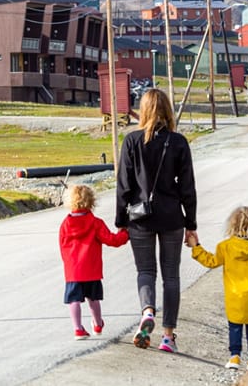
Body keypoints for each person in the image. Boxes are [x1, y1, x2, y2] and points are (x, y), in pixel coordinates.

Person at [115, 88, 197, 353]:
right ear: (168, 110)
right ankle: (168, 336)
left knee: (145, 271)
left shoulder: (132, 141)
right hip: (172, 217)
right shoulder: (178, 142)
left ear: (144, 109)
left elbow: (124, 186)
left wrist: (120, 220)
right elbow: (187, 187)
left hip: (140, 218)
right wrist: (191, 225)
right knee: (171, 276)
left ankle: (148, 311)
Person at [187, 206, 248, 370]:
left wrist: (195, 246)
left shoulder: (225, 247)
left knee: (235, 326)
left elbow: (211, 262)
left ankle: (234, 357)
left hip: (234, 297)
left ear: (231, 226)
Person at [59, 184, 129, 340]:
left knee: (73, 300)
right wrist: (125, 234)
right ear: (92, 202)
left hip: (73, 270)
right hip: (91, 269)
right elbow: (112, 240)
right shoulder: (96, 223)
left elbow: (62, 246)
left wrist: (67, 263)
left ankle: (77, 328)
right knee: (93, 299)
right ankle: (98, 323)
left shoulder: (65, 225)